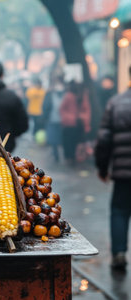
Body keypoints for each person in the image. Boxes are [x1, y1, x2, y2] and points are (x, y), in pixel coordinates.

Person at [94, 67, 131, 270]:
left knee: (120, 211)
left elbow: (104, 139)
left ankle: (118, 253)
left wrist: (102, 167)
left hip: (123, 172)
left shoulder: (117, 103)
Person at [59, 81, 91, 163]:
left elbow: (86, 110)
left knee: (74, 144)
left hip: (77, 124)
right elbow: (62, 109)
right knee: (70, 143)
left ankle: (74, 158)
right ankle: (71, 158)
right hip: (71, 124)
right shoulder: (69, 96)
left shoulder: (82, 96)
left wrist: (82, 118)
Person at [42, 76, 65, 163]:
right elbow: (45, 106)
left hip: (63, 121)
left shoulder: (65, 94)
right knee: (53, 138)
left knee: (60, 138)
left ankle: (60, 154)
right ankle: (55, 154)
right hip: (51, 119)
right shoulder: (49, 94)